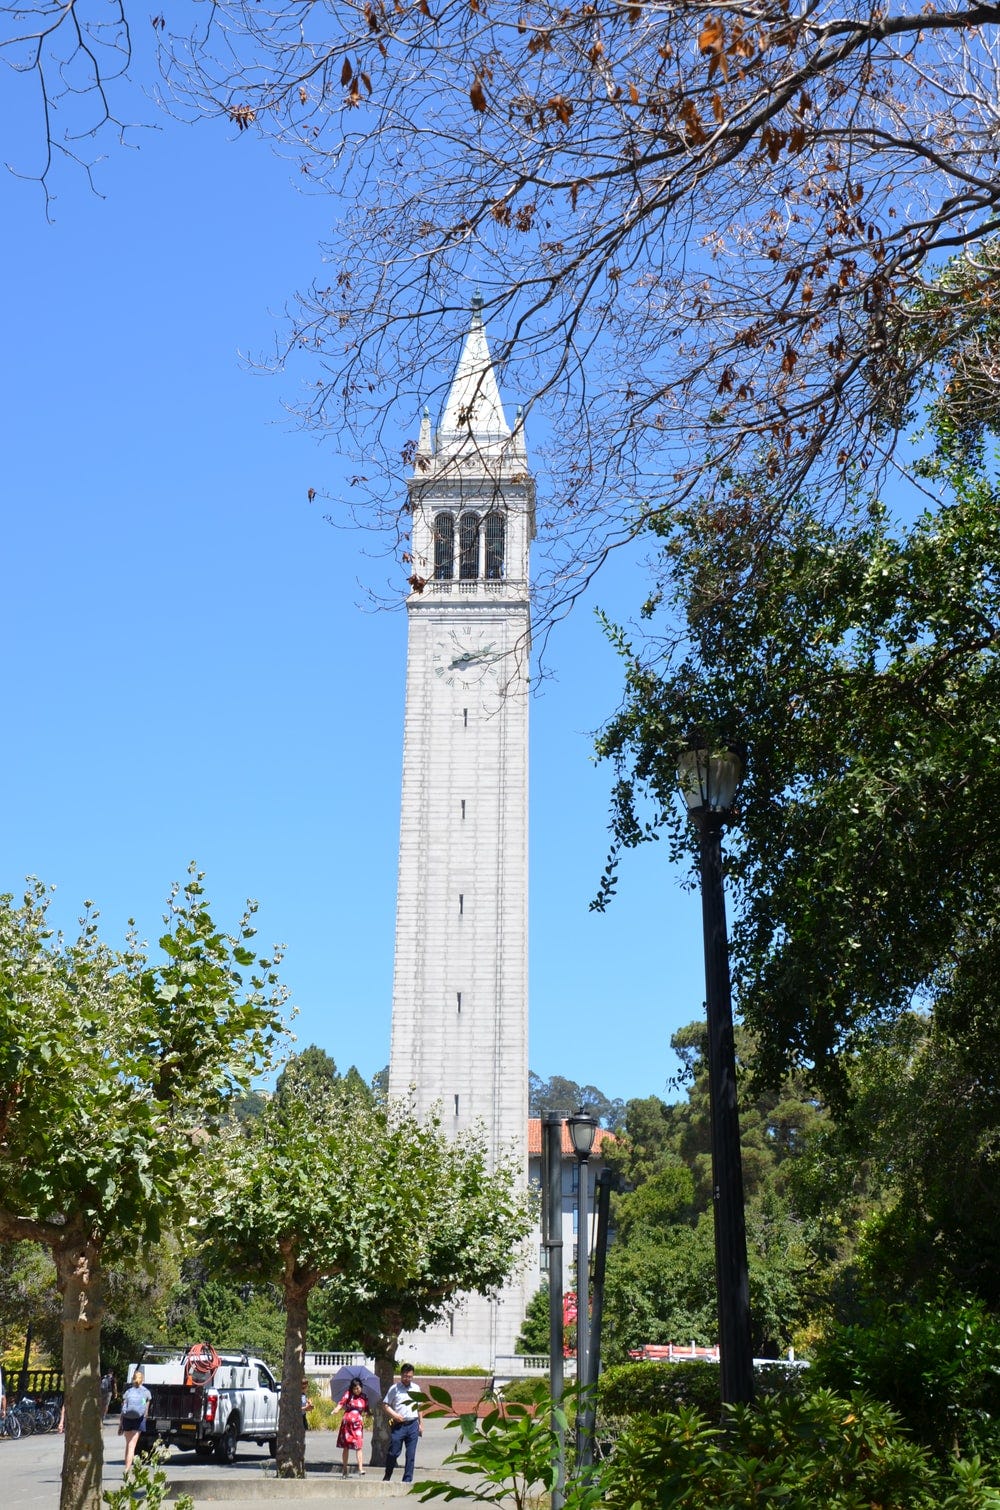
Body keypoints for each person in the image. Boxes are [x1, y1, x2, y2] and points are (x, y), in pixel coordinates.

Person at [382, 1363, 422, 1484]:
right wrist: (395, 1415)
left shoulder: (416, 1388)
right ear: (401, 1375)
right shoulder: (394, 1389)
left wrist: (421, 1424)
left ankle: (407, 1480)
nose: (407, 1379)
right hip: (399, 1424)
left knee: (410, 1455)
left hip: (413, 1424)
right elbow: (385, 1405)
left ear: (413, 1376)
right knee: (393, 1452)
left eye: (409, 1376)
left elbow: (419, 1406)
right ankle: (387, 1475)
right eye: (405, 1376)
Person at [118, 1369, 151, 1473]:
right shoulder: (146, 1392)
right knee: (132, 1445)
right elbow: (146, 1410)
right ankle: (127, 1469)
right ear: (142, 1380)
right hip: (138, 1420)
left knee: (128, 1444)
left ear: (133, 1379)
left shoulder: (128, 1392)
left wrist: (120, 1425)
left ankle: (126, 1467)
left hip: (127, 1419)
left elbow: (123, 1409)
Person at [336, 1377, 368, 1477]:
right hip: (347, 1424)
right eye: (354, 1388)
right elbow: (341, 1403)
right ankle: (345, 1469)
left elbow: (366, 1409)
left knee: (359, 1445)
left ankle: (360, 1468)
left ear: (361, 1387)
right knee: (346, 1446)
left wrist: (368, 1413)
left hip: (357, 1424)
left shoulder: (364, 1397)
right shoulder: (348, 1394)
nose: (356, 1390)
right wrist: (336, 1409)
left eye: (358, 1388)